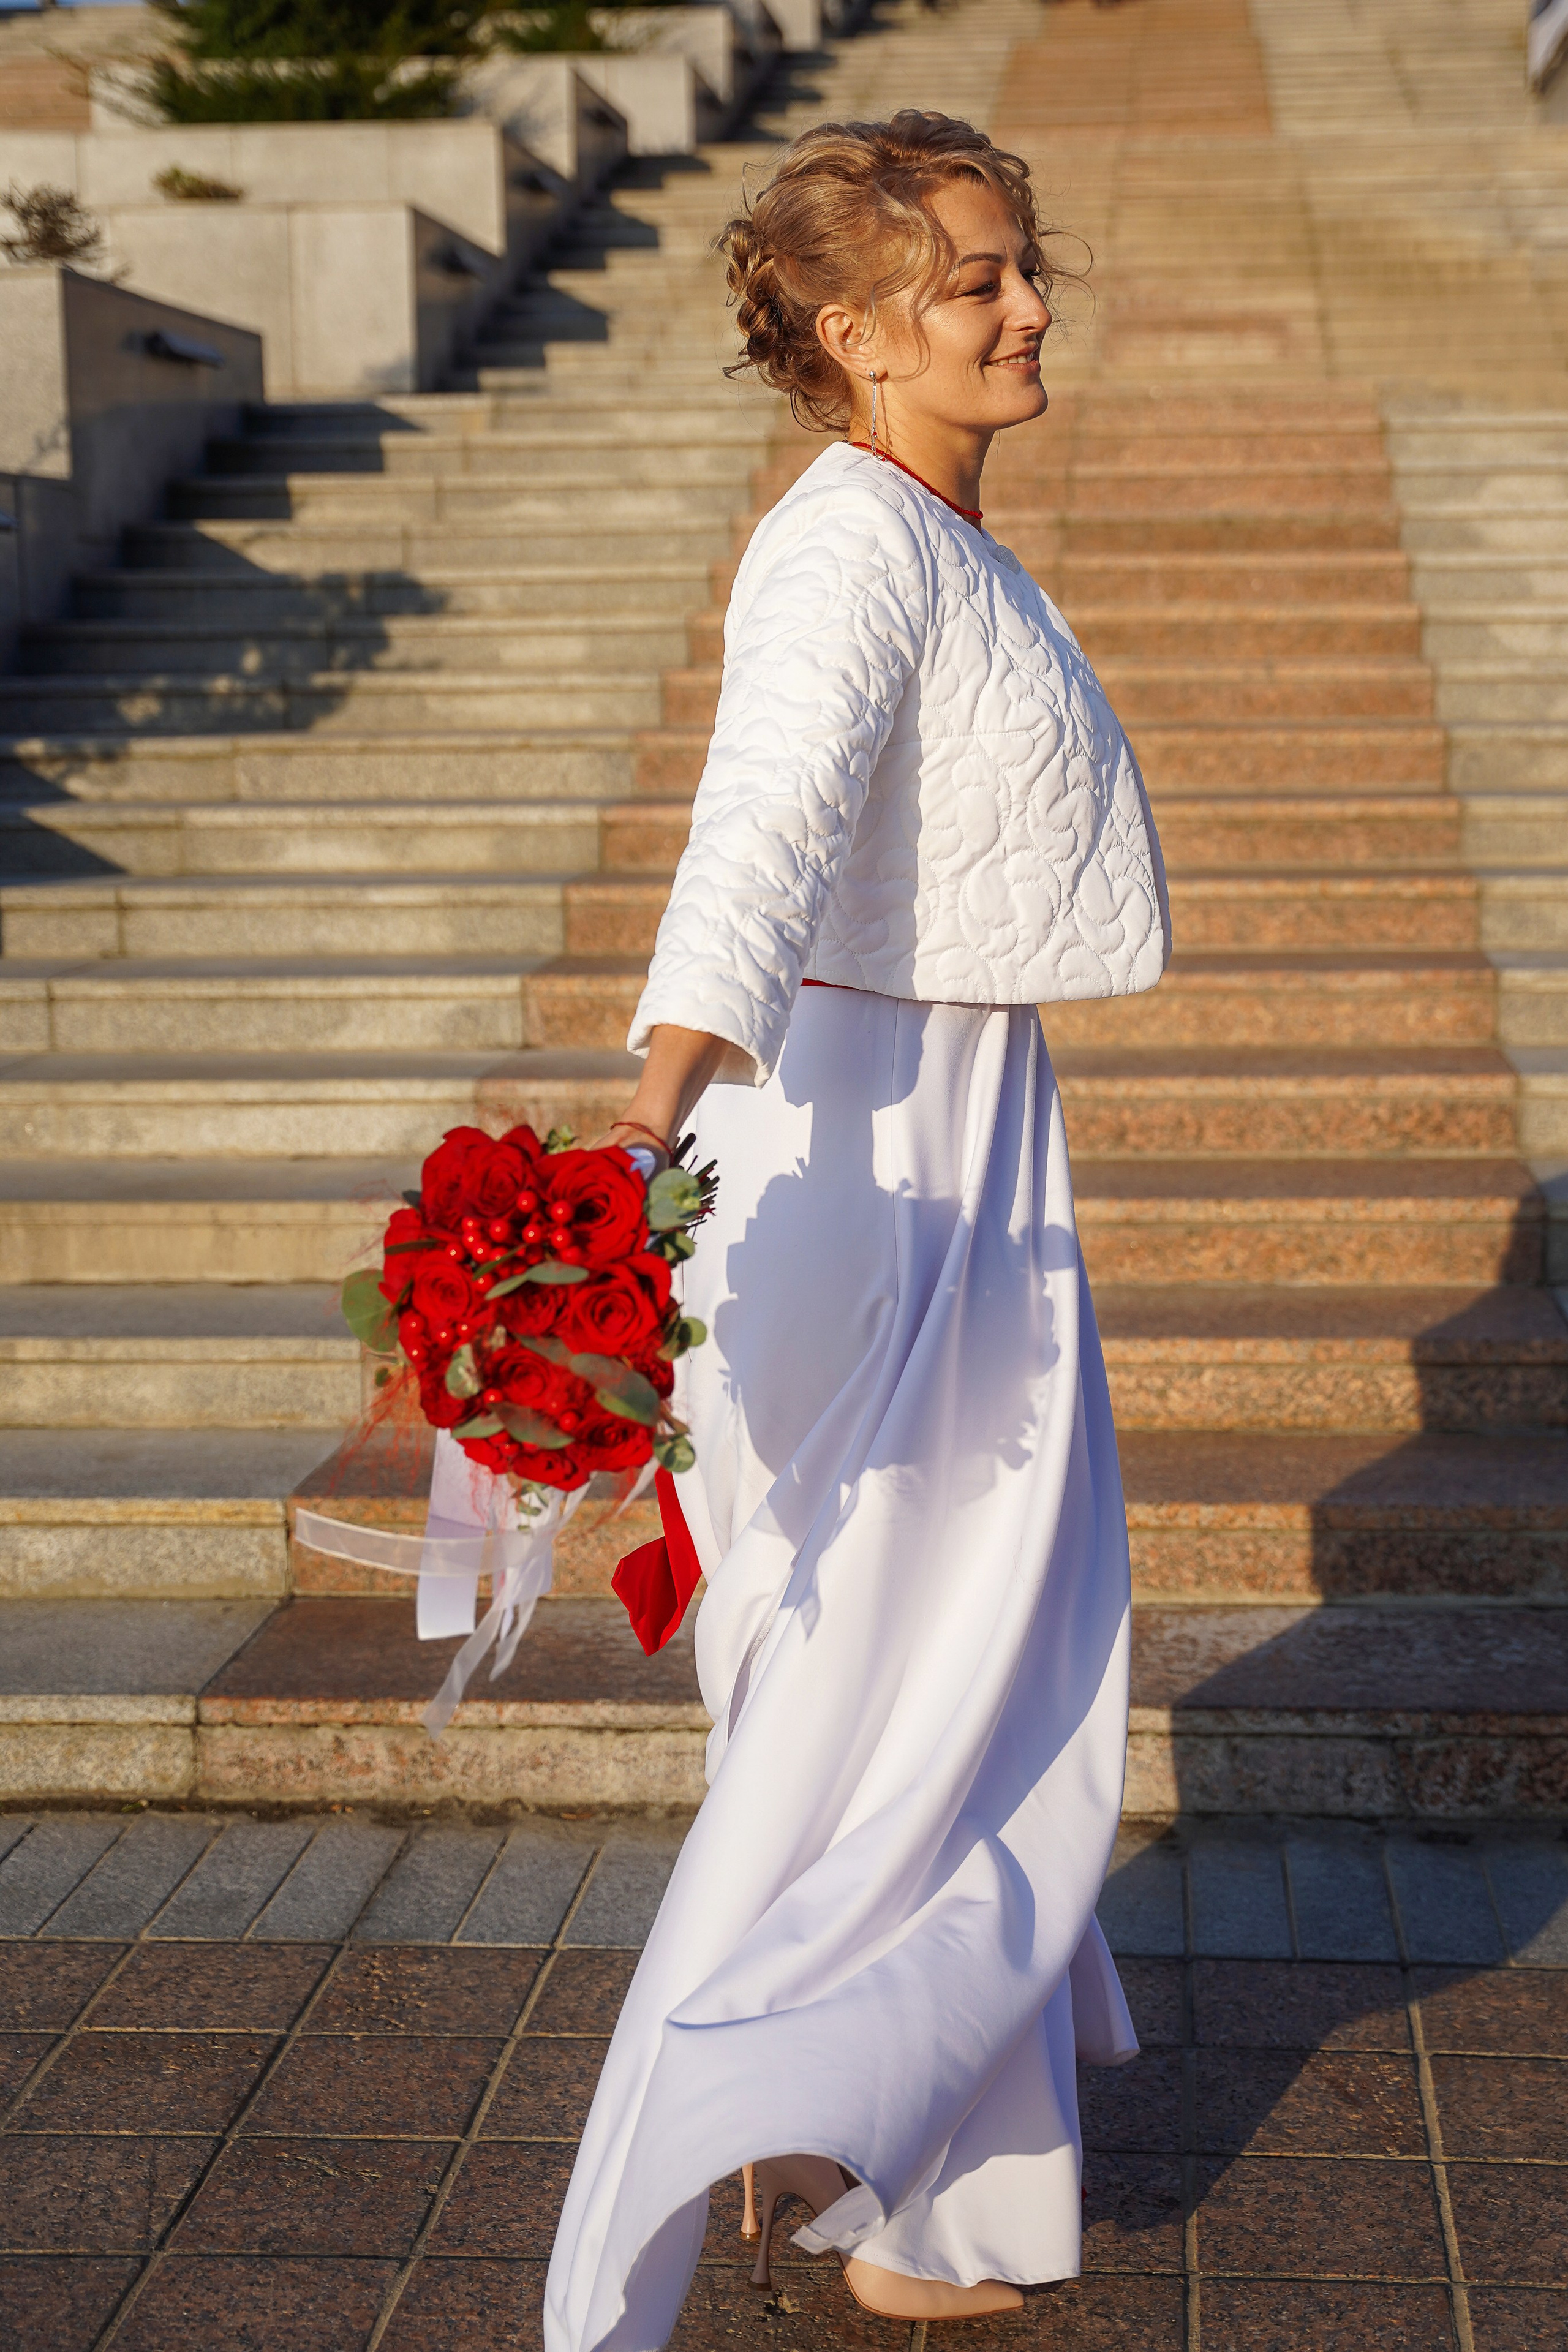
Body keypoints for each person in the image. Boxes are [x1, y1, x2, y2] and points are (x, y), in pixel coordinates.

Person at [546, 108, 1171, 2352]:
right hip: (864, 1143)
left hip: (950, 1111)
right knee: (906, 1690)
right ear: (845, 326)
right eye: (976, 275)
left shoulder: (926, 527)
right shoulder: (847, 546)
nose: (1027, 306)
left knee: (949, 1676)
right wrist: (640, 1130)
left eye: (1027, 263)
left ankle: (901, 2171)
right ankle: (781, 2140)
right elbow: (759, 835)